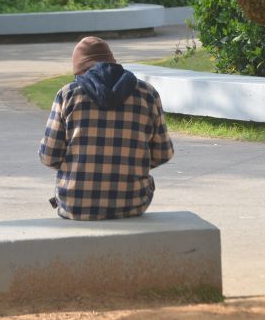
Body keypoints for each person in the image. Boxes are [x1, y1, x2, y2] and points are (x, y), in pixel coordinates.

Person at [39, 36, 174, 220]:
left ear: (80, 71)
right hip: (132, 203)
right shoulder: (147, 94)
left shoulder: (68, 95)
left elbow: (49, 156)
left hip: (75, 206)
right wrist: (130, 161)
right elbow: (163, 153)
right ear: (112, 62)